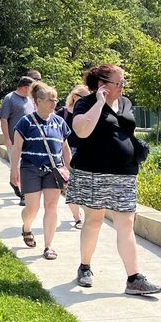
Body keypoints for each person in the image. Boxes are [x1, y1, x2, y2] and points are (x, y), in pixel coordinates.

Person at [68, 64, 161, 296]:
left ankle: (134, 278)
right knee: (94, 220)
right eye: (118, 83)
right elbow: (81, 131)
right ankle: (85, 267)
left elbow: (127, 130)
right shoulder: (86, 103)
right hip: (93, 171)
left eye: (123, 83)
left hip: (124, 172)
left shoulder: (126, 102)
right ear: (102, 85)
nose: (122, 87)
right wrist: (100, 103)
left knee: (126, 223)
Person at [10, 82, 71, 261]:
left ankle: (48, 246)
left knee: (51, 206)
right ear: (38, 101)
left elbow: (65, 148)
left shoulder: (59, 122)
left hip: (53, 170)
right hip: (30, 168)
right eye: (50, 100)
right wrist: (14, 170)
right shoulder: (25, 122)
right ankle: (27, 227)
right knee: (32, 208)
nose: (54, 103)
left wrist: (71, 169)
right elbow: (17, 148)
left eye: (55, 100)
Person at [0, 76, 36, 207]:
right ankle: (24, 195)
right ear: (25, 87)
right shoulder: (10, 98)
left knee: (25, 168)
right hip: (14, 141)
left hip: (29, 141)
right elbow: (4, 119)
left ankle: (16, 185)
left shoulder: (30, 100)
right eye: (32, 88)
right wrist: (7, 138)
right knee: (20, 168)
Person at [60, 84, 90, 229]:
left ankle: (84, 215)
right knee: (71, 186)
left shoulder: (90, 112)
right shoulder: (63, 113)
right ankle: (77, 217)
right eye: (84, 96)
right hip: (67, 152)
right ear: (75, 96)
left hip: (85, 151)